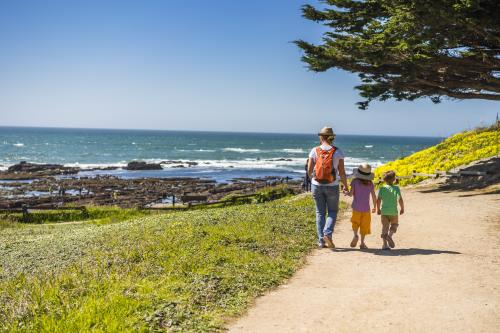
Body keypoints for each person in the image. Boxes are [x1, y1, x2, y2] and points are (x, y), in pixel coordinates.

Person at [308, 126, 348, 248]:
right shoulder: (338, 151)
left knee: (320, 212)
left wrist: (313, 182)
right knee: (332, 211)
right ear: (332, 137)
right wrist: (345, 185)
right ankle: (328, 233)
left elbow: (309, 170)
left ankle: (321, 241)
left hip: (317, 185)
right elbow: (342, 172)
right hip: (333, 186)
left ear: (321, 137)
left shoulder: (314, 150)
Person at [345, 164, 376, 249]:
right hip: (366, 209)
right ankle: (362, 243)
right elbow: (373, 196)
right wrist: (375, 206)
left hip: (356, 208)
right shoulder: (370, 183)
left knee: (355, 222)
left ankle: (355, 235)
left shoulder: (355, 181)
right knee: (364, 226)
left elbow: (351, 194)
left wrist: (346, 192)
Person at [377, 170, 405, 250]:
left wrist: (378, 209)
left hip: (384, 212)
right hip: (393, 211)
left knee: (384, 227)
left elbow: (378, 200)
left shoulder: (382, 188)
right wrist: (402, 208)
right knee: (394, 224)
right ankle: (390, 236)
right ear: (394, 179)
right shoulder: (396, 188)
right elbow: (400, 199)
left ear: (384, 180)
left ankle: (385, 245)